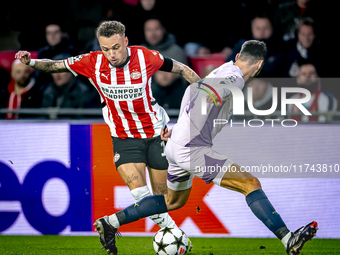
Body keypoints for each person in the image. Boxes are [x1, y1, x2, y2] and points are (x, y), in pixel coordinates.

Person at [92, 40, 318, 255]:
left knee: (172, 201)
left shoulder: (221, 69)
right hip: (192, 149)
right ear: (259, 65)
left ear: (238, 56)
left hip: (175, 144)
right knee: (251, 184)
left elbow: (192, 92)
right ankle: (288, 238)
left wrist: (179, 128)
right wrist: (216, 93)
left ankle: (110, 222)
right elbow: (220, 88)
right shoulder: (234, 77)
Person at [15, 20, 200, 252]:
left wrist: (204, 96)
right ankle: (173, 237)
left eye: (115, 47)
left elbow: (182, 69)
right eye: (105, 49)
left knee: (164, 200)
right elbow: (55, 66)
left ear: (125, 41)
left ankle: (122, 225)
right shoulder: (91, 62)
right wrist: (30, 61)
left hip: (156, 134)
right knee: (142, 196)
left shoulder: (145, 57)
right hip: (123, 138)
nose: (111, 54)